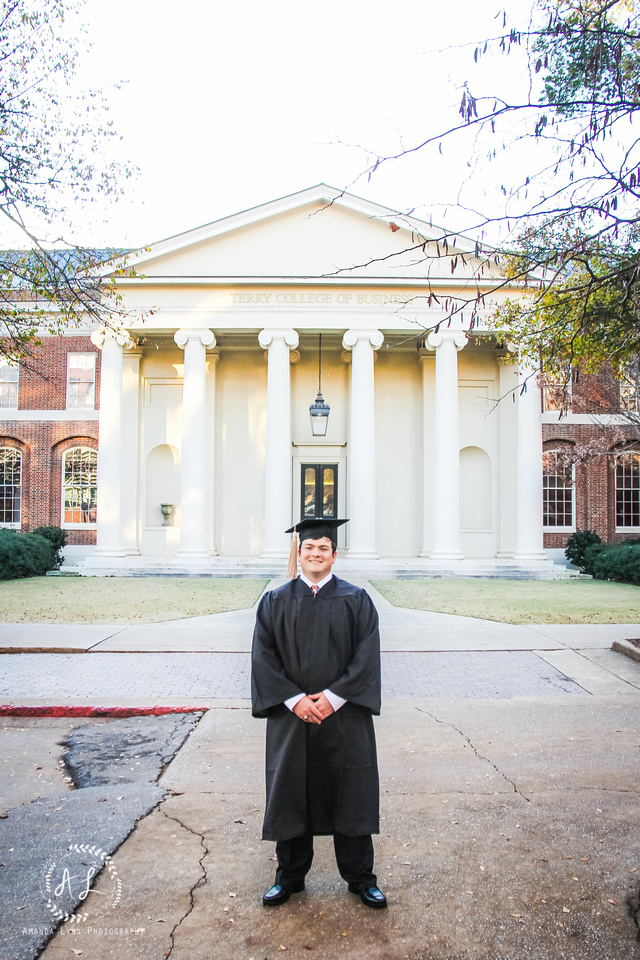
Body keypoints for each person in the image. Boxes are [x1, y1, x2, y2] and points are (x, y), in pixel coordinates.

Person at [251, 517, 386, 909]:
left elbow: (367, 657)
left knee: (352, 794)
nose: (315, 554)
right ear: (299, 552)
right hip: (293, 719)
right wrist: (295, 700)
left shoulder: (356, 599)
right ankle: (289, 877)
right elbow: (264, 658)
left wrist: (333, 697)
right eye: (309, 548)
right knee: (292, 792)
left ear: (334, 555)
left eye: (323, 549)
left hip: (343, 718)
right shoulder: (275, 600)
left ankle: (361, 878)